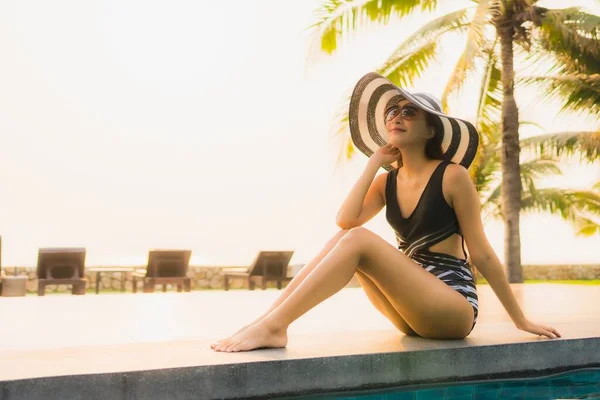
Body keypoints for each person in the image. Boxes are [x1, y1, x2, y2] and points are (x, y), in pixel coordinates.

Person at [210, 72, 561, 352]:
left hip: (452, 306)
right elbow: (345, 221)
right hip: (411, 312)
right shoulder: (386, 182)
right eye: (394, 110)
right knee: (345, 237)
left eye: (410, 112)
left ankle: (274, 326)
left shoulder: (452, 176)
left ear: (429, 129)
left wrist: (520, 320)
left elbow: (482, 252)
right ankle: (268, 320)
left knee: (359, 240)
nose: (397, 116)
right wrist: (374, 164)